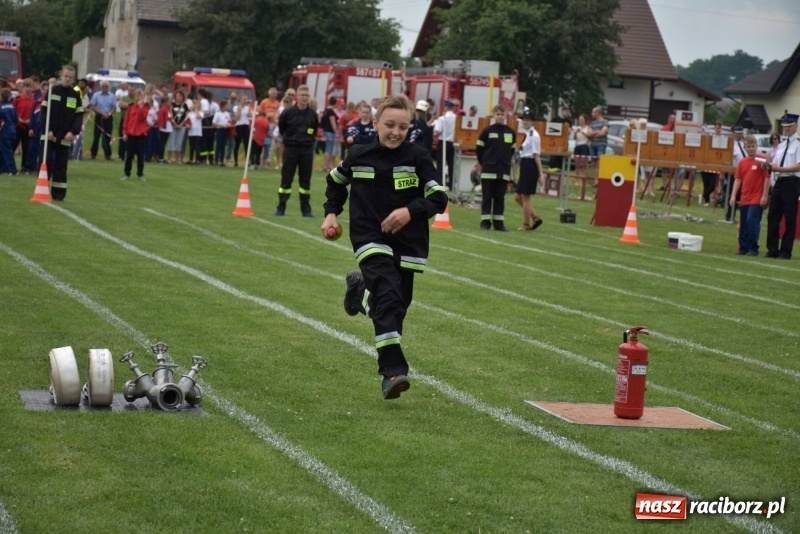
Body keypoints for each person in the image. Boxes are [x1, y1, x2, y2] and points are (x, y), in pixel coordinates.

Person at [321, 94, 448, 400]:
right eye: (389, 124)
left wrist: (410, 211)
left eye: (403, 127)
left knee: (396, 306)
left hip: (408, 243)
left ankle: (359, 291)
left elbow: (439, 198)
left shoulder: (418, 157)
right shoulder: (359, 155)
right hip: (370, 237)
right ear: (376, 123)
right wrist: (330, 214)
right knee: (389, 295)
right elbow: (335, 181)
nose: (395, 132)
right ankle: (392, 372)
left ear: (410, 127)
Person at [41, 65, 83, 201]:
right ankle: (42, 190)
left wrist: (73, 132)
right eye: (65, 76)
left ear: (73, 79)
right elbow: (44, 112)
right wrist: (47, 129)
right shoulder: (53, 90)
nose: (67, 79)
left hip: (65, 136)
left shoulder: (75, 95)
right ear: (61, 76)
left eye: (70, 77)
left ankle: (59, 195)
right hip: (49, 135)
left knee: (61, 166)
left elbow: (79, 116)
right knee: (46, 162)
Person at [276, 84, 318, 217]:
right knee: (286, 180)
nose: (304, 98)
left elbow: (314, 130)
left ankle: (306, 210)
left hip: (306, 150)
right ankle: (281, 207)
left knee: (305, 181)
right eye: (302, 95)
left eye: (307, 95)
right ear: (297, 97)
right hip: (291, 149)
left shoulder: (312, 114)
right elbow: (282, 127)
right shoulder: (288, 113)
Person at [475, 105, 516, 231]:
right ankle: (485, 222)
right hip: (489, 171)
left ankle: (499, 223)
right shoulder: (487, 131)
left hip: (503, 171)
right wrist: (485, 163)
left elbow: (512, 151)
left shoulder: (510, 132)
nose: (500, 116)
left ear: (505, 116)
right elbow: (479, 150)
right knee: (487, 197)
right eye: (497, 114)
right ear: (493, 115)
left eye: (502, 114)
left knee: (500, 198)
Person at [765, 113, 800, 259]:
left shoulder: (798, 143)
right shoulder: (782, 144)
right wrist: (771, 166)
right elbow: (778, 163)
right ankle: (772, 249)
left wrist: (781, 169)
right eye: (785, 126)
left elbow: (798, 166)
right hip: (779, 180)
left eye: (789, 126)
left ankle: (786, 251)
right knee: (773, 215)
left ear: (796, 126)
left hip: (792, 181)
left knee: (790, 217)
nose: (786, 129)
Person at [730, 135, 770, 256]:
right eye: (749, 146)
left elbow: (767, 179)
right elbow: (738, 180)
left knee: (752, 220)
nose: (752, 149)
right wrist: (733, 196)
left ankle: (753, 247)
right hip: (745, 197)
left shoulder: (762, 160)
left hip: (756, 197)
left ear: (757, 146)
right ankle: (743, 247)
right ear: (745, 147)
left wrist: (764, 196)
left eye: (753, 146)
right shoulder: (742, 162)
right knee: (744, 223)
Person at [514, 108, 544, 231]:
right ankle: (535, 218)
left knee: (525, 197)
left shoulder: (534, 136)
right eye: (524, 120)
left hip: (530, 165)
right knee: (517, 197)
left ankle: (526, 224)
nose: (525, 122)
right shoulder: (528, 134)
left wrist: (540, 174)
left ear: (533, 122)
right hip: (525, 164)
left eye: (528, 120)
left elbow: (536, 155)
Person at [121, 89, 150, 181]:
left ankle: (140, 174)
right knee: (129, 155)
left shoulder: (145, 107)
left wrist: (141, 108)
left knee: (140, 155)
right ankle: (127, 174)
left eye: (140, 94)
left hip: (141, 134)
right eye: (137, 94)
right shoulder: (131, 107)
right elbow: (126, 120)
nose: (139, 96)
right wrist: (124, 132)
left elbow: (143, 118)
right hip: (131, 133)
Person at [88, 80, 116, 160]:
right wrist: (102, 113)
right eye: (103, 86)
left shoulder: (112, 96)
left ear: (108, 87)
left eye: (106, 86)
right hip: (99, 116)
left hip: (108, 117)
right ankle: (93, 154)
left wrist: (109, 114)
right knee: (96, 136)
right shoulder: (96, 95)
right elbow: (93, 106)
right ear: (101, 87)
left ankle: (108, 155)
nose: (104, 88)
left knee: (107, 136)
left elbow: (114, 107)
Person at [432, 99, 457, 187]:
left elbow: (437, 131)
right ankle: (451, 184)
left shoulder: (442, 118)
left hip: (443, 142)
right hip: (452, 143)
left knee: (441, 163)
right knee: (451, 164)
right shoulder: (456, 118)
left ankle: (440, 182)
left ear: (446, 107)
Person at [587, 105, 608, 185]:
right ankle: (596, 180)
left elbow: (603, 133)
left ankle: (601, 180)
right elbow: (588, 134)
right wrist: (597, 132)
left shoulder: (605, 122)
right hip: (593, 144)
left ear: (597, 113)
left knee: (600, 162)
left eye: (593, 112)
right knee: (594, 163)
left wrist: (594, 133)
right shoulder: (593, 123)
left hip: (601, 144)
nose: (591, 113)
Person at [0, 88, 18, 175]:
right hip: (12, 129)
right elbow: (16, 119)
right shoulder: (12, 106)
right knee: (5, 149)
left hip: (4, 130)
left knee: (6, 150)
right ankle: (3, 169)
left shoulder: (1, 107)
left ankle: (12, 170)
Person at [168, 89, 189, 164]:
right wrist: (175, 123)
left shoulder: (185, 105)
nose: (178, 97)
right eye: (177, 96)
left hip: (181, 126)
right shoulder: (172, 105)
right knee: (171, 142)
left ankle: (177, 159)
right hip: (173, 125)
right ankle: (169, 158)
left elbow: (186, 116)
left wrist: (181, 124)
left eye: (180, 96)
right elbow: (171, 115)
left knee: (179, 143)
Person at [548, 105, 571, 171]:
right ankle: (552, 169)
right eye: (566, 111)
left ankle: (560, 170)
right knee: (553, 157)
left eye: (568, 112)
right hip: (554, 142)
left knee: (561, 158)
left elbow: (569, 132)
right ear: (562, 111)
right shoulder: (555, 119)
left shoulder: (568, 121)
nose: (567, 113)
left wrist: (566, 128)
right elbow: (549, 129)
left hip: (563, 143)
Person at [321, 95, 338, 173]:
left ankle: (326, 165)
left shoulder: (325, 110)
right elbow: (333, 122)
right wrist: (336, 131)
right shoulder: (331, 111)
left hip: (325, 131)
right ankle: (326, 166)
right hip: (330, 132)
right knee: (329, 149)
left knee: (327, 148)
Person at [115, 81, 131, 161]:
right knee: (122, 137)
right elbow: (121, 104)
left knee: (131, 139)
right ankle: (121, 155)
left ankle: (129, 155)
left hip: (132, 121)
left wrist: (127, 105)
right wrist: (130, 105)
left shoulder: (135, 98)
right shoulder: (123, 97)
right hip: (123, 119)